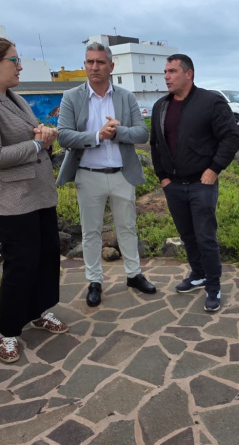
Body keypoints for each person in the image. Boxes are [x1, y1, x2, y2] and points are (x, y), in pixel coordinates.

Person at [0, 36, 68, 364]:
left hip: (37, 193)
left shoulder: (13, 97)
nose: (20, 66)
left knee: (47, 255)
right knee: (21, 263)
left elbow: (29, 133)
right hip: (8, 200)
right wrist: (37, 145)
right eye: (14, 60)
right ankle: (8, 332)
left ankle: (38, 311)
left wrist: (43, 135)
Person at [56, 42, 156, 307]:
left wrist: (117, 132)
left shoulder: (125, 97)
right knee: (91, 232)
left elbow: (142, 133)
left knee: (128, 227)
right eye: (89, 62)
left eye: (100, 62)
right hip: (88, 175)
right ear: (85, 65)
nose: (94, 67)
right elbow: (63, 135)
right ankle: (94, 281)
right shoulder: (72, 97)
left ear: (111, 66)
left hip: (122, 173)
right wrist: (97, 136)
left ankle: (134, 275)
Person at [149, 54, 239, 312]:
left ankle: (213, 286)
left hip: (202, 184)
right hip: (174, 185)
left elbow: (231, 138)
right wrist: (163, 177)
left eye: (172, 71)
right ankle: (198, 275)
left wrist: (214, 169)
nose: (166, 76)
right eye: (165, 71)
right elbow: (155, 143)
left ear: (189, 74)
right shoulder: (161, 106)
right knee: (188, 236)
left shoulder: (211, 102)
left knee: (205, 237)